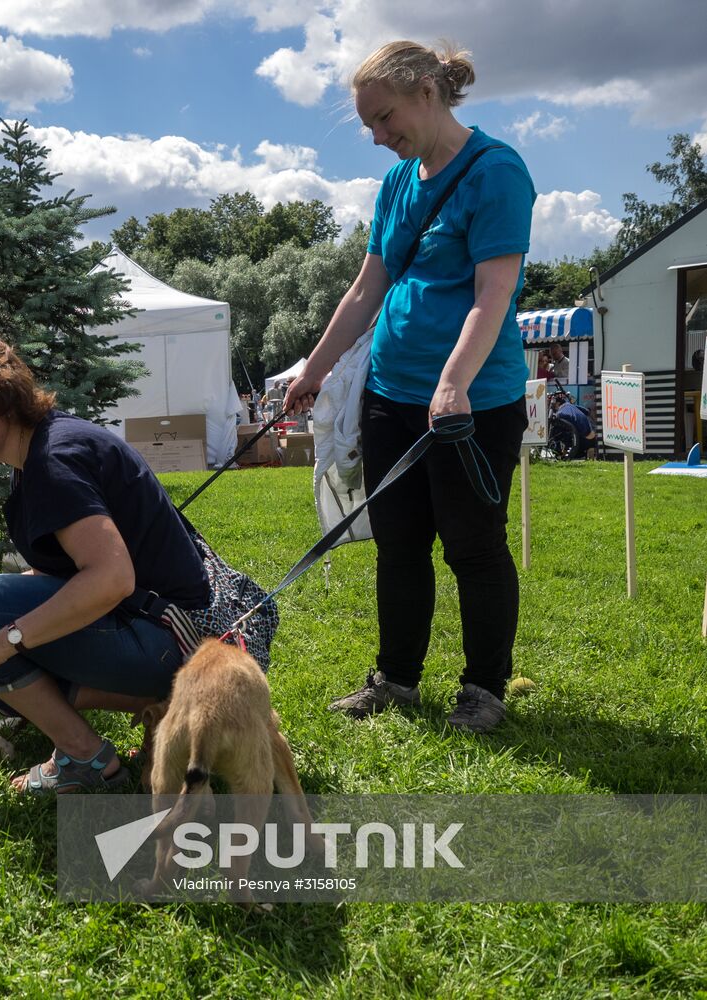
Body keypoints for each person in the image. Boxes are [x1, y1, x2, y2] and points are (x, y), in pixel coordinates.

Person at [284, 40, 535, 732]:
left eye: (383, 117)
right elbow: (367, 288)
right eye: (368, 123)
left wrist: (453, 382)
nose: (376, 136)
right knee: (397, 545)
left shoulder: (496, 172)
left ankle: (483, 690)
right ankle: (394, 680)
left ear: (427, 91)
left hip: (470, 405)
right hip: (390, 394)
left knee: (472, 546)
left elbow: (494, 292)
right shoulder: (397, 183)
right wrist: (315, 367)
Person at [0, 325, 210, 792]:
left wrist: (4, 638)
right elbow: (66, 573)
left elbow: (112, 578)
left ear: (2, 394)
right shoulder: (43, 451)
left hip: (175, 642)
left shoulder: (52, 463)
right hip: (169, 632)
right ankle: (155, 706)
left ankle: (89, 758)